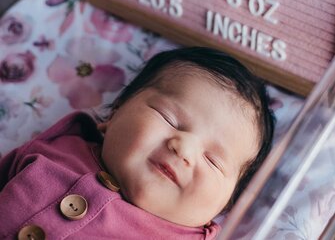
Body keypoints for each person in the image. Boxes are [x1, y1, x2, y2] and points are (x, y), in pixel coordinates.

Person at [0, 47, 275, 239]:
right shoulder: (60, 147)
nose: (185, 148)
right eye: (168, 118)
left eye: (213, 160)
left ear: (226, 205)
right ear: (116, 111)